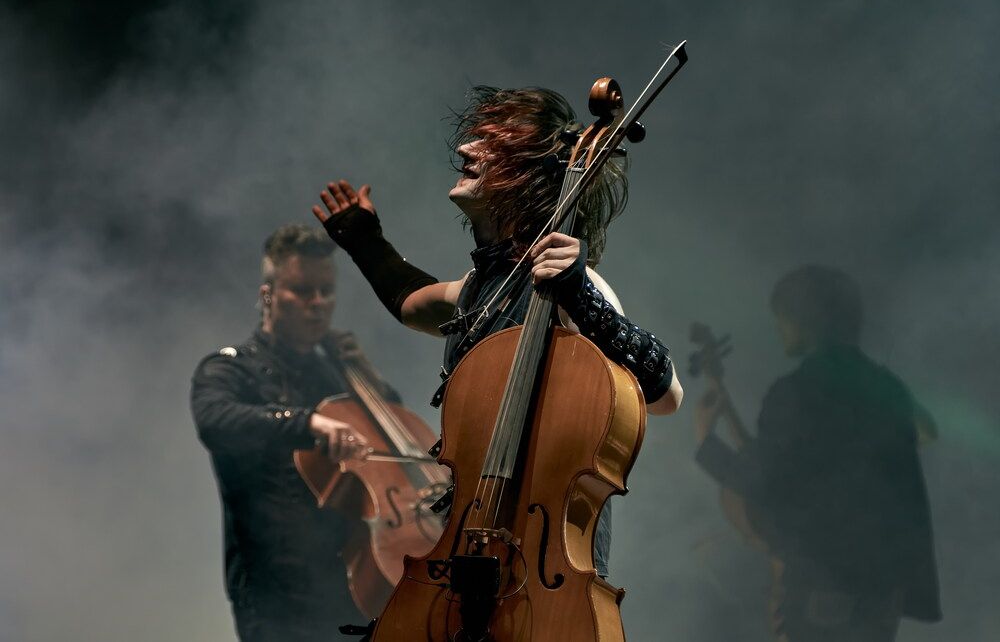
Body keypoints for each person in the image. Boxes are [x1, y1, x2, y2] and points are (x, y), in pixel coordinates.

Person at [311, 85, 684, 579]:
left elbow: (666, 395)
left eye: (491, 143)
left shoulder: (572, 285)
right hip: (469, 545)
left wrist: (581, 296)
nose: (466, 150)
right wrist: (364, 239)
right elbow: (410, 299)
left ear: (529, 173)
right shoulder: (480, 289)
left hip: (539, 567)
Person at [693, 265, 941, 642]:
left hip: (824, 583)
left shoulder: (796, 391)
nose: (780, 330)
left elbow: (765, 483)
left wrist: (704, 440)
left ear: (805, 318)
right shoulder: (886, 386)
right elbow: (923, 433)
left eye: (784, 319)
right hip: (885, 591)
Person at [191, 224, 399, 641]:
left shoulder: (334, 372)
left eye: (326, 291)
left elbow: (397, 438)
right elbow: (217, 419)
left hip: (350, 580)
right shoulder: (230, 368)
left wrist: (369, 380)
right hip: (275, 592)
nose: (318, 303)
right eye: (303, 291)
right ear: (268, 294)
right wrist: (308, 422)